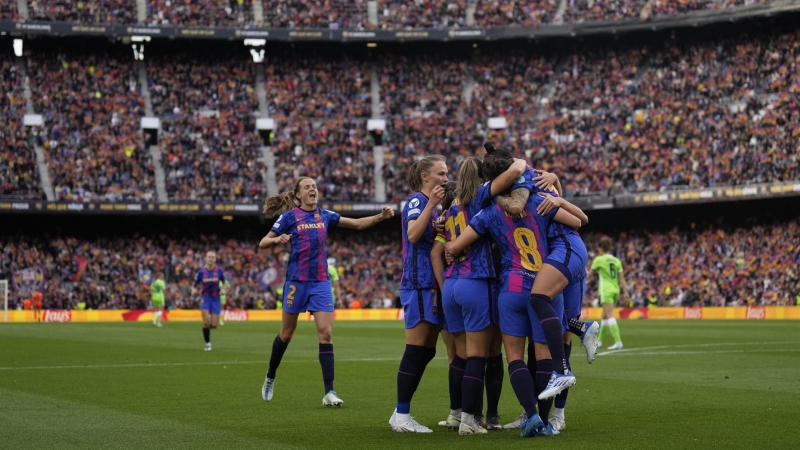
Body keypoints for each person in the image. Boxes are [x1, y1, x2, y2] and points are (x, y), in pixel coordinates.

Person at [445, 192, 583, 437]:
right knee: (543, 356)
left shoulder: (488, 213)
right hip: (544, 284)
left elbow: (456, 246)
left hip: (511, 288)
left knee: (515, 358)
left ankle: (530, 417)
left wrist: (446, 242)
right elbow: (577, 221)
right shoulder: (539, 202)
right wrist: (559, 198)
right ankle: (544, 420)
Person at [259, 177, 394, 407]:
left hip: (320, 282)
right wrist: (276, 239)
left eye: (314, 186)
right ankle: (270, 376)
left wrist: (380, 216)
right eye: (307, 187)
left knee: (326, 334)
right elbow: (263, 242)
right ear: (298, 195)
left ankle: (329, 392)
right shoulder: (289, 217)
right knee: (286, 334)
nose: (313, 189)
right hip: (296, 282)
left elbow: (358, 224)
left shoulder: (326, 215)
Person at [431, 152, 526, 434]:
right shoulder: (481, 199)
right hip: (477, 281)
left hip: (451, 285)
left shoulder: (449, 211)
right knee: (479, 356)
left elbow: (442, 249)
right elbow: (511, 175)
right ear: (483, 178)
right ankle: (470, 420)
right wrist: (520, 162)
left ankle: (459, 414)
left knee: (461, 357)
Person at [388, 155, 448, 433]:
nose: (445, 178)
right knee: (416, 349)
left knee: (427, 350)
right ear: (425, 177)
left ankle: (400, 412)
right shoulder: (417, 201)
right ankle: (402, 415)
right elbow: (413, 234)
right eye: (441, 173)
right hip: (419, 282)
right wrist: (432, 207)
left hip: (429, 283)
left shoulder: (429, 206)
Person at [588, 236, 630, 350]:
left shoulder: (599, 260)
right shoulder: (616, 260)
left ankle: (618, 342)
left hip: (605, 290)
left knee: (610, 314)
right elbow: (622, 279)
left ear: (600, 248)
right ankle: (599, 341)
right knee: (605, 315)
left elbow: (589, 276)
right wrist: (626, 293)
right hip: (615, 289)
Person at [192, 251, 225, 351]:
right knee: (206, 322)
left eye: (213, 257)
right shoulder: (201, 272)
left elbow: (224, 283)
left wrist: (223, 289)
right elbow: (194, 284)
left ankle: (208, 327)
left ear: (215, 259)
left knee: (214, 325)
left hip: (216, 299)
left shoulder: (219, 271)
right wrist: (193, 289)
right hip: (205, 298)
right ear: (206, 258)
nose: (211, 259)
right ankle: (208, 344)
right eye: (209, 257)